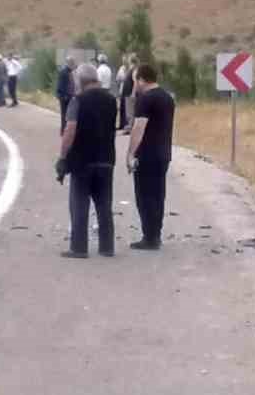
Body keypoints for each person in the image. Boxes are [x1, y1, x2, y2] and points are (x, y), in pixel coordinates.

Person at [57, 63, 118, 258]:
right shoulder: (111, 100)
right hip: (106, 159)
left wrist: (62, 157)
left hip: (82, 160)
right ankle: (107, 247)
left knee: (79, 204)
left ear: (81, 81)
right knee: (104, 205)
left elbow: (70, 129)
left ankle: (79, 247)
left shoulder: (78, 101)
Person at [125, 63, 175, 250]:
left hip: (147, 155)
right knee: (158, 195)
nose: (134, 85)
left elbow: (139, 128)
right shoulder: (167, 98)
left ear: (141, 79)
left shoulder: (145, 100)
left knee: (144, 196)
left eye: (134, 80)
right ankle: (156, 234)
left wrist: (130, 154)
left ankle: (149, 236)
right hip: (164, 153)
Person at [55, 54, 76, 131]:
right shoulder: (63, 72)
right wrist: (63, 96)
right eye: (72, 62)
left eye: (73, 62)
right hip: (64, 97)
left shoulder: (70, 71)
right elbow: (61, 85)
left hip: (69, 96)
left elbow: (72, 84)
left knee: (69, 114)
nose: (73, 64)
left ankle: (66, 129)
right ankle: (63, 130)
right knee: (64, 114)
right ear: (68, 63)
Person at [118, 53, 137, 131]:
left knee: (130, 112)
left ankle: (130, 127)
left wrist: (133, 93)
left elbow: (135, 82)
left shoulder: (134, 69)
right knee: (127, 111)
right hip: (126, 93)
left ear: (131, 60)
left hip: (129, 93)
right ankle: (127, 126)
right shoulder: (130, 69)